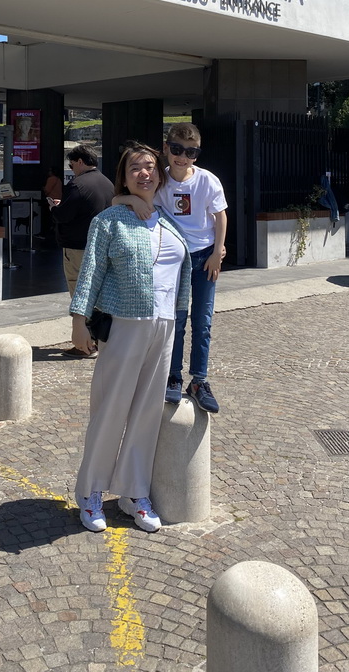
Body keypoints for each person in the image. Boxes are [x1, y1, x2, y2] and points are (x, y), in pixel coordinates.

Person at [69, 143, 190, 533]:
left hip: (164, 324)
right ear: (123, 176)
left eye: (151, 167)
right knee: (110, 410)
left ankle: (134, 491)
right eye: (136, 168)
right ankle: (90, 492)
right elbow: (89, 274)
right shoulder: (108, 221)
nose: (145, 173)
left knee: (146, 413)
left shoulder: (168, 219)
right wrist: (78, 321)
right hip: (125, 323)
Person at [112, 123, 227, 413]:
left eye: (190, 152)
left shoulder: (207, 180)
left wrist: (217, 251)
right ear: (166, 148)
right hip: (175, 258)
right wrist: (128, 200)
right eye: (176, 149)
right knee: (175, 319)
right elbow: (120, 197)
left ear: (197, 155)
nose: (182, 157)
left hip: (203, 257)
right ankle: (172, 376)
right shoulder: (159, 181)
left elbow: (220, 215)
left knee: (202, 321)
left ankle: (199, 380)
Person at [49, 146, 114, 357]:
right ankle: (100, 338)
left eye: (71, 164)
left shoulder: (77, 185)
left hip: (78, 247)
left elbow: (64, 216)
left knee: (80, 293)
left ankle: (86, 344)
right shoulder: (107, 183)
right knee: (99, 294)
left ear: (79, 162)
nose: (72, 169)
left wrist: (54, 208)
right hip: (102, 247)